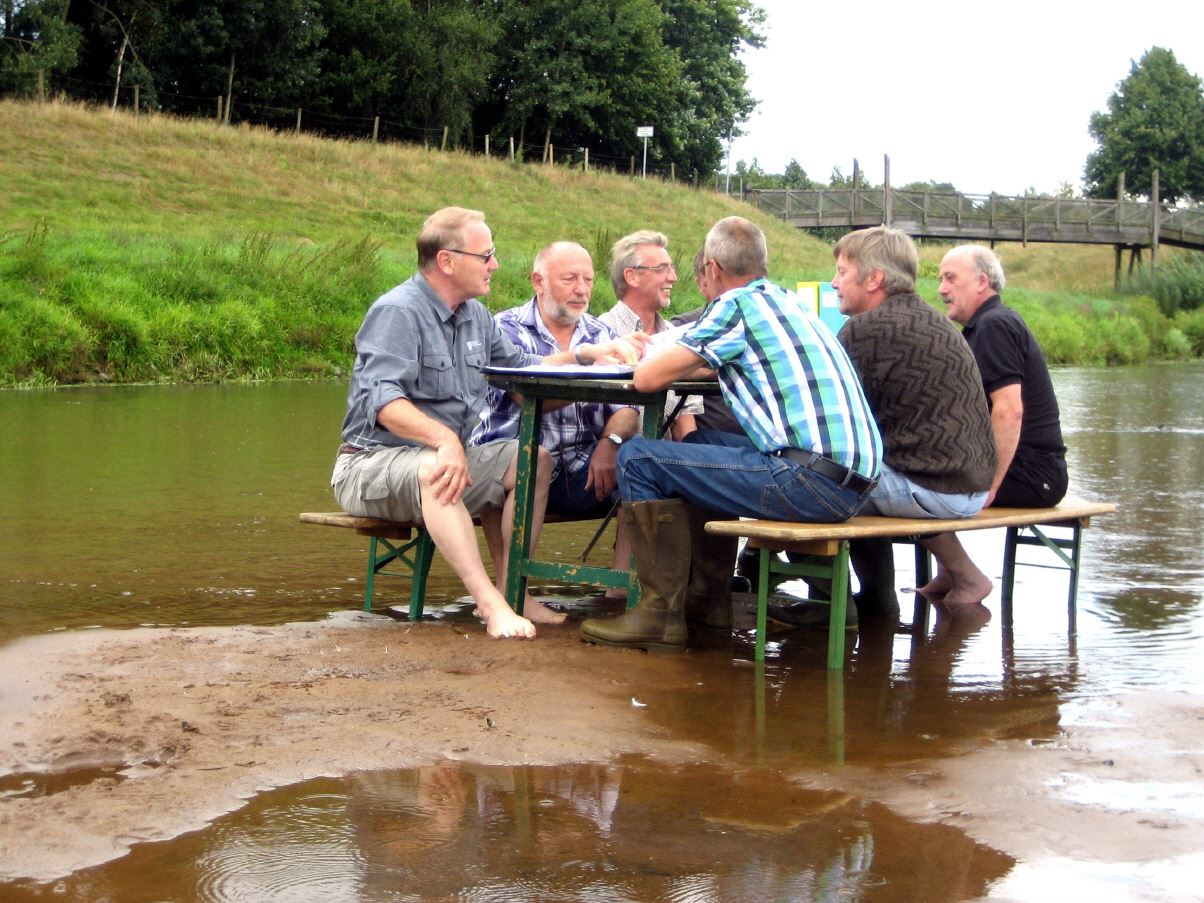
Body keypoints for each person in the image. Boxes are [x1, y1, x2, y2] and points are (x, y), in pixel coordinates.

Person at [331, 207, 639, 639]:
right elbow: (382, 400)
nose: (494, 264)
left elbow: (524, 369)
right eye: (486, 255)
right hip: (370, 464)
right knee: (437, 468)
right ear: (447, 261)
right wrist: (445, 441)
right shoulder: (397, 312)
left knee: (534, 459)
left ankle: (513, 592)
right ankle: (491, 605)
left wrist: (586, 356)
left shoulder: (475, 316)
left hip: (443, 458)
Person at [579, 215, 883, 652]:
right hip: (853, 484)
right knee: (698, 443)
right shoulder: (789, 303)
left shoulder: (735, 306)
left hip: (808, 483)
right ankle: (710, 600)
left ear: (714, 269)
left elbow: (646, 380)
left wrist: (632, 355)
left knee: (639, 458)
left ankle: (658, 615)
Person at [826, 227, 996, 614]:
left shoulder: (866, 330)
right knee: (854, 471)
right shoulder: (935, 320)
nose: (834, 283)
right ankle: (889, 596)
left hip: (937, 488)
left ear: (874, 279)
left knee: (818, 482)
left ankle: (841, 606)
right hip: (970, 484)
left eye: (842, 272)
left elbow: (832, 419)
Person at [471, 241, 639, 603]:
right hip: (514, 463)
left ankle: (621, 591)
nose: (581, 290)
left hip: (583, 467)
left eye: (588, 280)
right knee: (530, 460)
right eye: (569, 279)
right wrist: (589, 370)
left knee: (641, 461)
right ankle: (513, 592)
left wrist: (611, 443)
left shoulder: (601, 333)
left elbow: (627, 407)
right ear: (538, 281)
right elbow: (525, 396)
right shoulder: (505, 328)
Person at [913, 244, 1069, 602]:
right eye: (940, 279)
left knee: (915, 486)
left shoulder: (995, 326)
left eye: (950, 278)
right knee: (920, 471)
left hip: (1034, 475)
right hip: (1032, 470)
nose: (941, 289)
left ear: (982, 282)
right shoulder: (982, 327)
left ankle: (967, 578)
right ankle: (951, 573)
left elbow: (1009, 410)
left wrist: (992, 484)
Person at [600, 230, 701, 439]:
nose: (673, 277)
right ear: (632, 276)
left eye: (671, 268)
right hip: (614, 455)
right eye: (662, 269)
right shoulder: (600, 334)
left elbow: (685, 427)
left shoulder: (677, 338)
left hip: (664, 457)